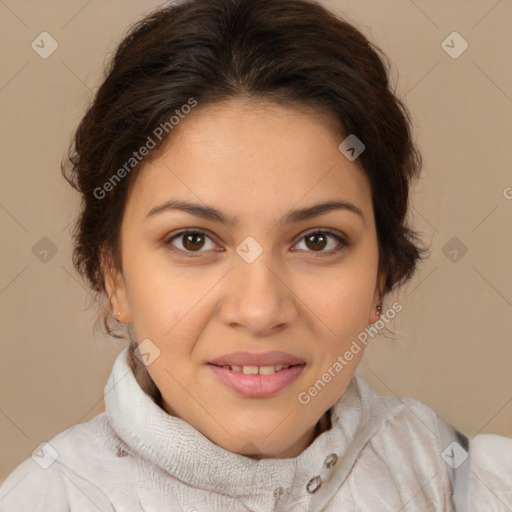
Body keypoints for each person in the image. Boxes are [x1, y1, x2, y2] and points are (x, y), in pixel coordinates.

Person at [1, 0, 510, 510]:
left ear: (382, 275)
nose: (260, 310)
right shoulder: (45, 498)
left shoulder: (464, 483)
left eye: (317, 240)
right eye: (193, 240)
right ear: (113, 275)